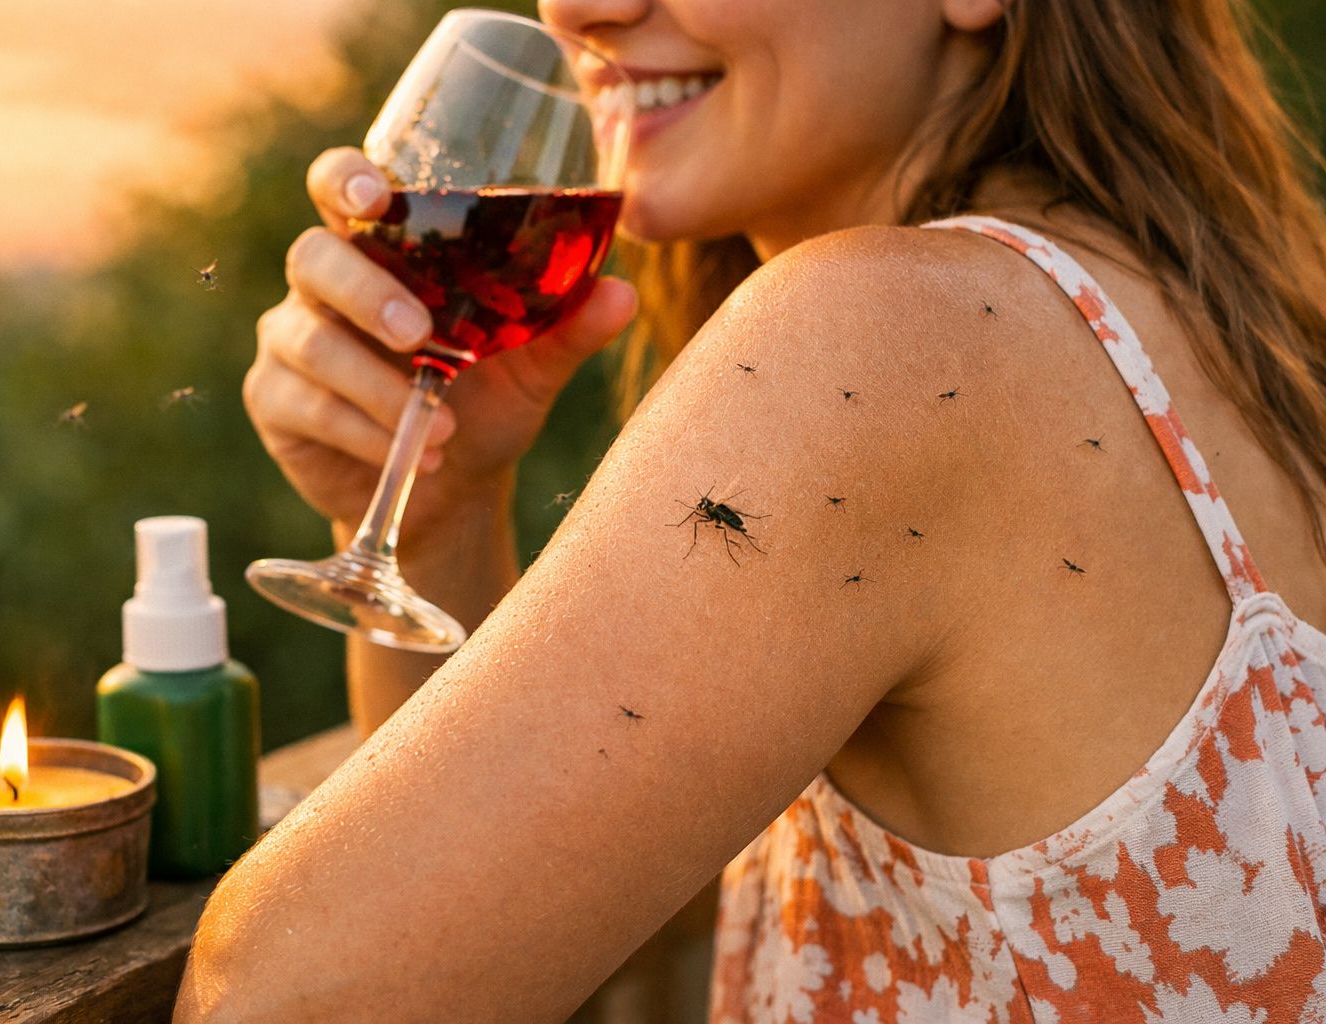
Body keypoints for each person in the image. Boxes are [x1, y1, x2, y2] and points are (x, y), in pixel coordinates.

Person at [174, 0, 1326, 1020]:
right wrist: (442, 513)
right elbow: (541, 906)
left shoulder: (893, 343)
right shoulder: (1240, 321)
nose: (582, 9)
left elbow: (279, 998)